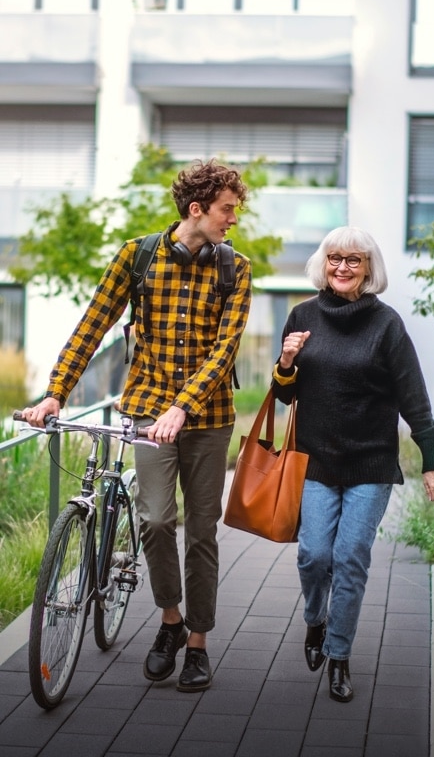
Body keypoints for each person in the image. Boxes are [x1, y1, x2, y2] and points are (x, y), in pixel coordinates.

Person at [23, 158, 252, 693]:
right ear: (197, 209)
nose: (232, 220)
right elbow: (92, 324)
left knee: (201, 531)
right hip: (148, 410)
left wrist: (185, 406)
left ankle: (197, 643)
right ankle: (170, 621)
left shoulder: (234, 268)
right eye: (227, 210)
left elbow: (225, 351)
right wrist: (56, 391)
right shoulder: (139, 255)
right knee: (152, 520)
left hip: (208, 418)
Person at [271, 226, 434, 703]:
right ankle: (315, 620)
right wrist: (286, 361)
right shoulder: (303, 316)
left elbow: (414, 398)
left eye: (354, 260)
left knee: (349, 559)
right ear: (323, 264)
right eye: (335, 259)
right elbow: (285, 393)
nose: (343, 268)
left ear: (369, 268)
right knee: (313, 556)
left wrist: (432, 462)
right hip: (316, 460)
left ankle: (340, 654)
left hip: (370, 463)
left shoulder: (386, 324)